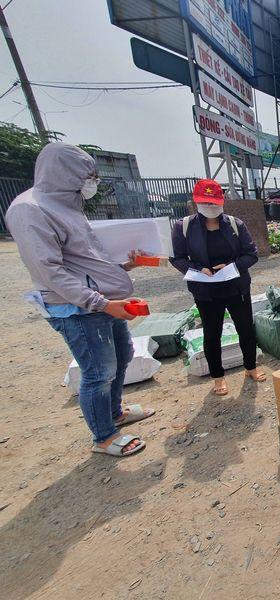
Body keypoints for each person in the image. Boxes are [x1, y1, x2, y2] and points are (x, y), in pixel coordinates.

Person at [5, 143, 154, 457]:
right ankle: (104, 437)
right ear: (66, 174)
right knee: (99, 371)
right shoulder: (30, 209)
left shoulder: (68, 206)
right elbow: (50, 272)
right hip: (77, 309)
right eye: (89, 175)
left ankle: (114, 413)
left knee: (123, 355)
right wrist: (100, 302)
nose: (93, 181)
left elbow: (89, 259)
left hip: (103, 302)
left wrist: (126, 267)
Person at [170, 179, 266, 396]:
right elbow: (177, 258)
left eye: (215, 203)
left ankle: (251, 367)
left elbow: (251, 254)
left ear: (222, 201)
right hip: (206, 292)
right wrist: (198, 269)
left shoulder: (235, 225)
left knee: (245, 329)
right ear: (196, 203)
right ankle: (218, 377)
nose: (211, 208)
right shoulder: (184, 227)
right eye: (206, 203)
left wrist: (232, 266)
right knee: (212, 334)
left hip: (236, 287)